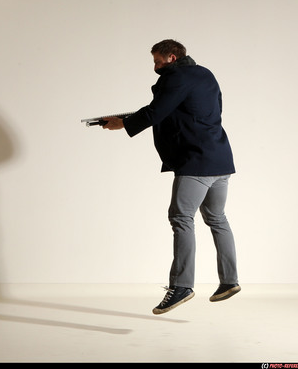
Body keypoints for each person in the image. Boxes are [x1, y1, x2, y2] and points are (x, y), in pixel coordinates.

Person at [102, 39, 240, 314]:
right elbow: (202, 109)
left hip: (196, 162)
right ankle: (229, 281)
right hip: (221, 157)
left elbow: (157, 111)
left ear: (172, 58)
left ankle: (181, 286)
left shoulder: (174, 76)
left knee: (180, 218)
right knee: (216, 218)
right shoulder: (204, 73)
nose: (155, 67)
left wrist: (124, 123)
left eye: (157, 61)